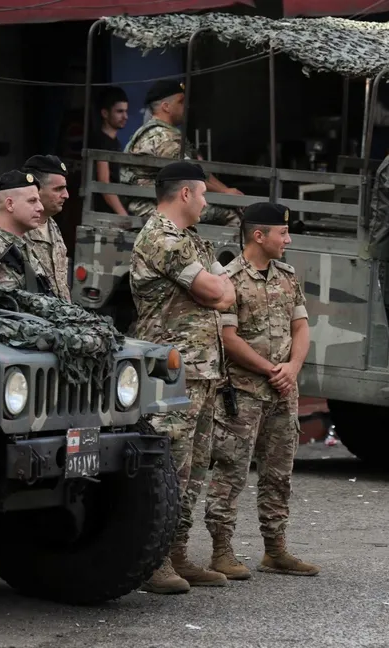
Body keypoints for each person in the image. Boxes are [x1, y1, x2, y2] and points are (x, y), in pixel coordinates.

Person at [130, 161, 236, 594]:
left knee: (193, 470)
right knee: (168, 468)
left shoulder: (192, 239)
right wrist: (216, 290)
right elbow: (216, 291)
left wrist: (217, 291)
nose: (208, 202)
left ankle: (176, 552)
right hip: (172, 372)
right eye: (204, 194)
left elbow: (229, 296)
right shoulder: (162, 237)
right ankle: (151, 560)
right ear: (186, 194)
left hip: (202, 369)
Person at [204, 202, 320, 580]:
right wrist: (271, 369)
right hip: (244, 391)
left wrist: (292, 368)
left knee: (279, 474)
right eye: (282, 233)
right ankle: (221, 551)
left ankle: (275, 549)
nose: (288, 240)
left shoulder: (287, 275)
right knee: (231, 471)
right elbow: (227, 337)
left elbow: (301, 327)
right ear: (259, 235)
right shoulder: (229, 278)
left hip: (282, 392)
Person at [120, 79, 242, 226]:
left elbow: (198, 171)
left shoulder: (162, 132)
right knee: (230, 215)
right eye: (181, 102)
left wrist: (225, 191)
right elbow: (191, 173)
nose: (186, 106)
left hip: (163, 200)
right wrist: (225, 192)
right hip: (150, 206)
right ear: (166, 107)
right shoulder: (162, 136)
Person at [20, 155, 71, 300]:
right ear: (35, 190)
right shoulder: (16, 231)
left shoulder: (52, 226)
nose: (66, 195)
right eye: (58, 189)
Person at [89, 86, 129, 215]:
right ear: (105, 113)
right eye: (119, 111)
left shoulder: (115, 142)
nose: (125, 116)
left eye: (126, 111)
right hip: (103, 214)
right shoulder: (100, 141)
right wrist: (124, 215)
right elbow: (104, 183)